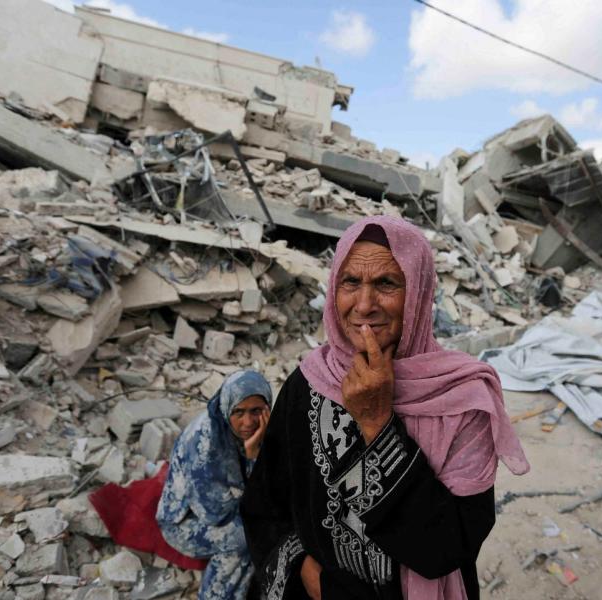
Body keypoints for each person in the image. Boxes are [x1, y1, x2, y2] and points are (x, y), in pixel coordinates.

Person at [242, 216, 529, 600]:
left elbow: (449, 547)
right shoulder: (306, 384)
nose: (364, 305)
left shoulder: (464, 400)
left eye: (386, 284)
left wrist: (377, 422)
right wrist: (302, 568)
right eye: (351, 282)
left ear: (419, 293)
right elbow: (265, 504)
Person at [156, 369, 272, 600]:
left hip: (228, 506)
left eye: (256, 411)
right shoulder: (204, 445)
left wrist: (258, 451)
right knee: (246, 536)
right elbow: (215, 514)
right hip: (186, 521)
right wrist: (253, 458)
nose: (248, 422)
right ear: (226, 408)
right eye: (238, 412)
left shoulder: (260, 429)